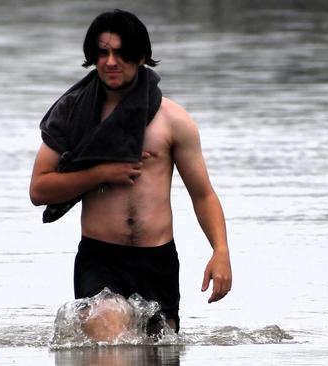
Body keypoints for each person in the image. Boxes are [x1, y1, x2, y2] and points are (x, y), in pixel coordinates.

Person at [30, 9, 232, 338]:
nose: (111, 61)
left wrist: (220, 251)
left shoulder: (173, 120)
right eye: (103, 52)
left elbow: (203, 194)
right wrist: (102, 172)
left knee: (157, 352)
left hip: (158, 262)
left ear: (141, 57)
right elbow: (39, 189)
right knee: (110, 337)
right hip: (100, 259)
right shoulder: (72, 115)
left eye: (121, 53)